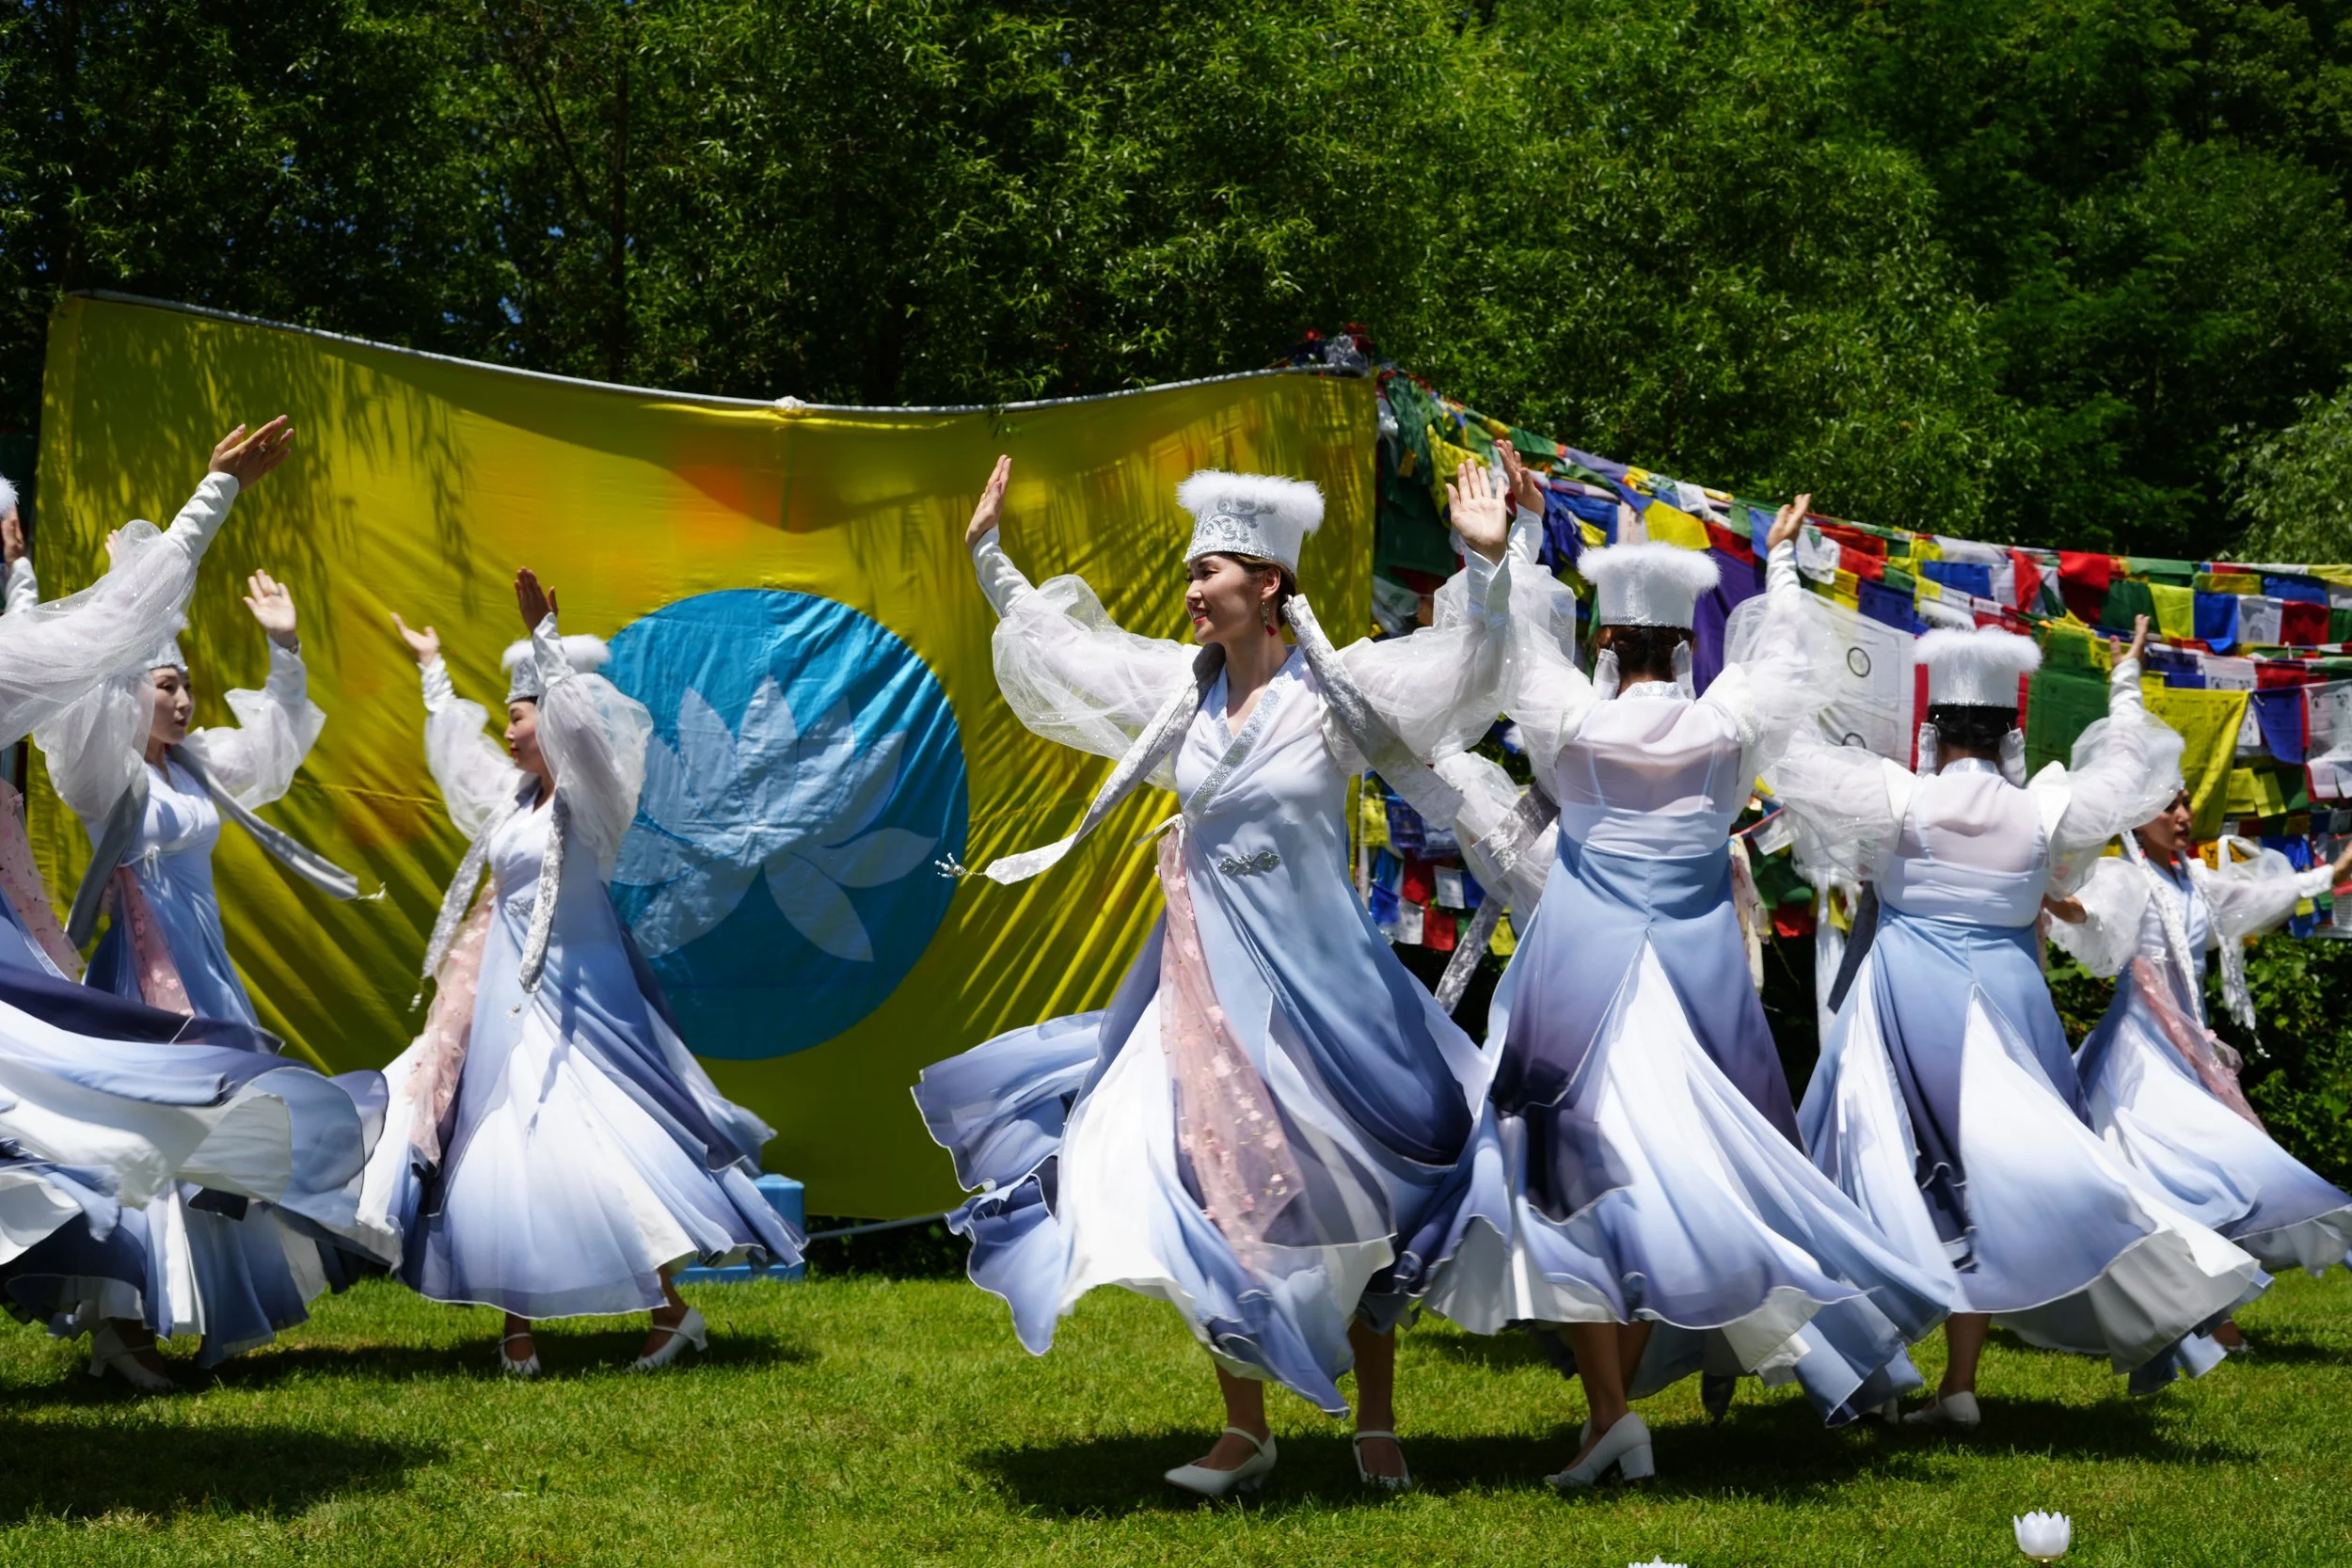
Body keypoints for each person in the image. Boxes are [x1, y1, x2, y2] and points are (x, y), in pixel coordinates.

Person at [914, 454, 1512, 1497]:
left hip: (1324, 992)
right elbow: (1069, 654)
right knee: (1192, 1179)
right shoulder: (1178, 696)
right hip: (1196, 986)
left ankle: (1374, 1418)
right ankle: (1245, 1425)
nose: (1192, 591)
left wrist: (1491, 564)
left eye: (1211, 572)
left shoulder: (1336, 694)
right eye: (1190, 574)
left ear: (1269, 584)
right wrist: (988, 559)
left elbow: (1467, 669)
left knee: (1363, 1187)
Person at [1427, 485, 1949, 1489]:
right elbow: (1786, 659)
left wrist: (1506, 549)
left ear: (1607, 649)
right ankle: (1614, 1414)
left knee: (1571, 1190)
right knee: (1686, 1186)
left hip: (1578, 1000)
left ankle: (1612, 1413)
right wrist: (1783, 562)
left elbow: (1505, 653)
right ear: (1684, 650)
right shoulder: (1726, 728)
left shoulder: (1574, 725)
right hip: (1701, 1006)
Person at [1768, 617, 2265, 1427]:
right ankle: (1957, 1381)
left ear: (1932, 730)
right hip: (2010, 1000)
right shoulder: (2046, 808)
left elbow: (1783, 743)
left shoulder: (1896, 796)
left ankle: (1875, 1360)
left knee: (1872, 1172)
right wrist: (2125, 680)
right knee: (1997, 1182)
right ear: (2013, 733)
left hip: (1903, 999)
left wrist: (1789, 608)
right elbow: (2128, 762)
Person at [0, 421, 386, 1391]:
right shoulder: (106, 775)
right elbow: (60, 670)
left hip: (203, 965)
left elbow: (278, 751)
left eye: (186, 685)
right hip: (142, 973)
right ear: (129, 694)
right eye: (167, 683)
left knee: (212, 1134)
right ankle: (119, 1327)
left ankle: (172, 1317)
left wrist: (286, 652)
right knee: (147, 1132)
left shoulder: (201, 771)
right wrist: (34, 585)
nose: (183, 698)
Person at [375, 570, 799, 1375]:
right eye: (507, 713)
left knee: (600, 1143)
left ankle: (669, 1312)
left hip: (585, 990)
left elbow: (585, 736)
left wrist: (548, 648)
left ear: (556, 718)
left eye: (519, 713)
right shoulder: (514, 802)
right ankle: (517, 1330)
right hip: (512, 992)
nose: (508, 729)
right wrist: (434, 670)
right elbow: (459, 757)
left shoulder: (594, 797)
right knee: (507, 1141)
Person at [2049, 784, 2352, 1315]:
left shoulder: (2194, 881)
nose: (2184, 816)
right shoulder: (2127, 877)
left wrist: (2335, 871)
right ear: (2140, 819)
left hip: (2190, 1047)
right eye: (2170, 807)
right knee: (2170, 1165)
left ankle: (2201, 1304)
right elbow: (2088, 912)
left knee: (2208, 1161)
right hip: (2139, 1049)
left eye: (2186, 804)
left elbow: (2262, 897)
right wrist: (2048, 898)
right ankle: (2197, 1309)